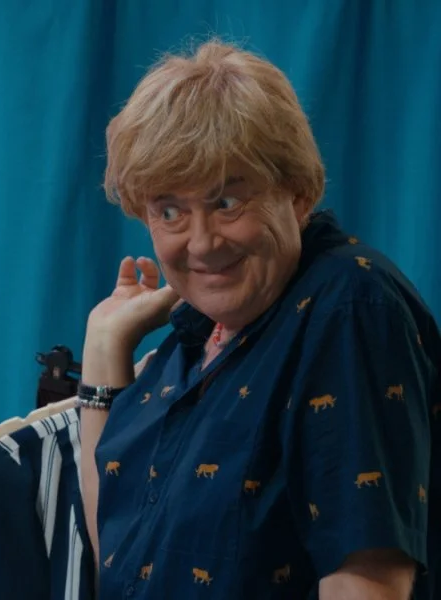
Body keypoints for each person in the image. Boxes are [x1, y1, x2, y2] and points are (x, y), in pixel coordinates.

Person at [78, 40, 440, 598]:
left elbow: (367, 581)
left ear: (298, 194)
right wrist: (105, 349)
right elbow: (116, 557)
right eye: (170, 211)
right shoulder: (196, 336)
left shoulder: (347, 304)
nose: (201, 242)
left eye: (227, 203)